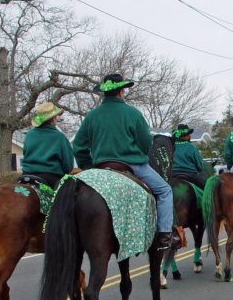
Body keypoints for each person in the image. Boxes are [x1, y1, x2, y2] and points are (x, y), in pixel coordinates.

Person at [73, 73, 181, 250]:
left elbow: (78, 147)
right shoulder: (133, 113)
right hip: (133, 166)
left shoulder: (91, 116)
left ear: (104, 93)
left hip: (100, 168)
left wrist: (88, 167)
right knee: (165, 191)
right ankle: (164, 235)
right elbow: (146, 143)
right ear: (121, 92)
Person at [21, 102, 74, 189]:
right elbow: (68, 165)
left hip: (26, 175)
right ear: (53, 119)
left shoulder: (29, 134)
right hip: (51, 178)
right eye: (56, 117)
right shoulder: (59, 137)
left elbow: (25, 153)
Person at [169, 123, 206, 189]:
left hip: (172, 174)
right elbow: (200, 166)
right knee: (207, 190)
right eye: (189, 134)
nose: (190, 136)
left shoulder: (170, 146)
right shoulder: (191, 147)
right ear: (185, 136)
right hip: (190, 174)